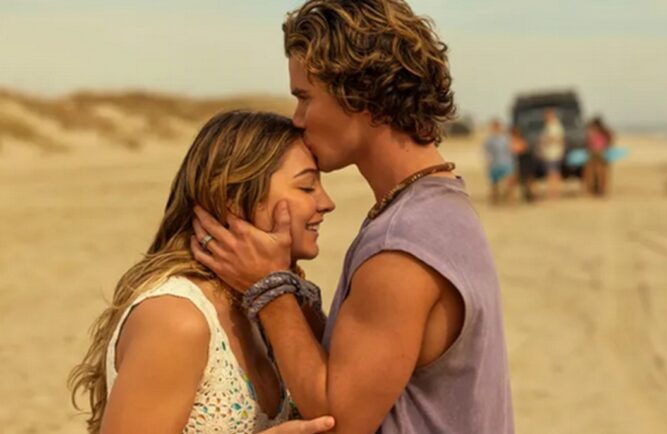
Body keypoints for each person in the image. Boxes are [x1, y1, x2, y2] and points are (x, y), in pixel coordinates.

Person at [190, 1, 514, 433]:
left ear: (360, 94)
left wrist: (269, 287)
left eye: (305, 98)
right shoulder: (437, 208)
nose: (298, 120)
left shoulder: (403, 242)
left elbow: (338, 420)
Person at [68, 111, 337, 434]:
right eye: (306, 187)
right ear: (233, 201)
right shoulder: (176, 318)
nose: (327, 202)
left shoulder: (267, 303)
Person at [483, 119, 516, 203]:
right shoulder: (489, 140)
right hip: (494, 164)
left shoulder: (506, 138)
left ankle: (509, 199)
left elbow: (510, 150)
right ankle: (495, 199)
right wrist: (487, 162)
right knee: (494, 184)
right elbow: (487, 152)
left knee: (509, 182)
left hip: (506, 163)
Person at [583, 117, 614, 196]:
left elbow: (588, 142)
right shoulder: (605, 132)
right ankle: (598, 190)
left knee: (596, 172)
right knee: (598, 172)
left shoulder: (595, 131)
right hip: (599, 152)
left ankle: (598, 190)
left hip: (597, 153)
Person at [540, 108, 565, 199]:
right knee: (552, 173)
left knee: (553, 173)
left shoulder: (555, 126)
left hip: (553, 153)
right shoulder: (548, 126)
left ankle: (554, 192)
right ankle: (553, 191)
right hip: (550, 153)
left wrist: (546, 140)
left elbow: (558, 139)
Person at [510, 125, 536, 202]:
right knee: (522, 180)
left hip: (525, 161)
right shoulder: (514, 140)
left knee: (527, 180)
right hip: (521, 162)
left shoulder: (519, 140)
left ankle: (528, 195)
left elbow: (520, 149)